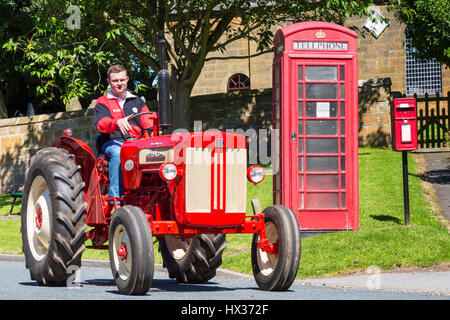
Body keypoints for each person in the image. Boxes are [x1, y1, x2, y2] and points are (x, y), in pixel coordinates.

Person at [93, 64, 156, 201]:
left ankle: (153, 195)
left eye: (122, 80)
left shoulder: (137, 101)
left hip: (136, 142)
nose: (119, 84)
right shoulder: (103, 102)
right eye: (115, 81)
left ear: (127, 79)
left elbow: (148, 121)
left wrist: (153, 132)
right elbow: (101, 124)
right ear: (109, 82)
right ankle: (115, 199)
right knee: (118, 153)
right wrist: (116, 123)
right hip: (112, 142)